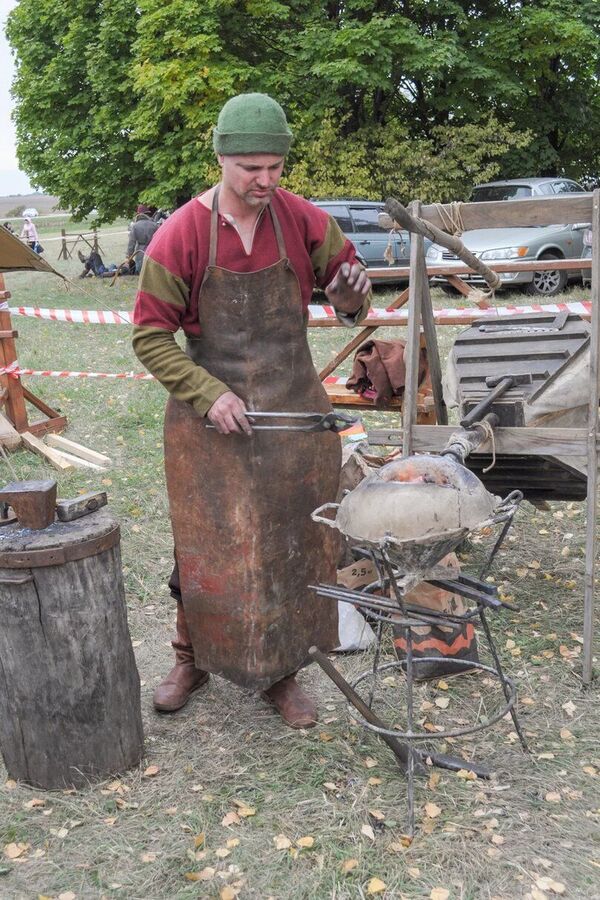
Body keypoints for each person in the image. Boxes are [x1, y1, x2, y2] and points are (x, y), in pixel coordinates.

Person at [132, 92, 372, 728]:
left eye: (275, 167)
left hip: (293, 409)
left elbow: (352, 293)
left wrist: (351, 296)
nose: (265, 180)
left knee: (292, 539)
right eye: (250, 169)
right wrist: (210, 394)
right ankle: (191, 657)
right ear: (221, 159)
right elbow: (149, 337)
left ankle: (283, 673)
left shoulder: (305, 221)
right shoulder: (179, 234)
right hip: (207, 420)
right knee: (204, 542)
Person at [127, 205, 160, 274]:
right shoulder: (154, 225)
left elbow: (131, 243)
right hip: (153, 250)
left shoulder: (135, 226)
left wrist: (129, 256)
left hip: (140, 251)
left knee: (141, 271)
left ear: (138, 214)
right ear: (147, 213)